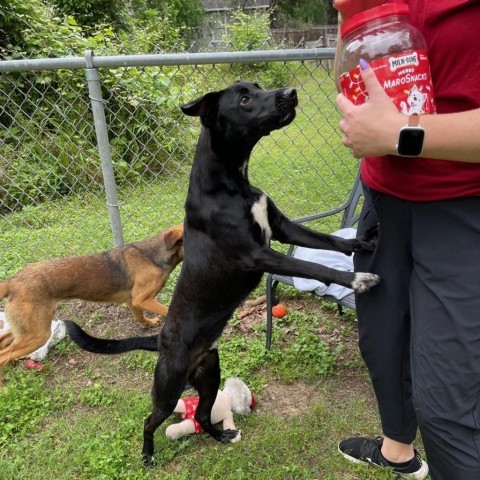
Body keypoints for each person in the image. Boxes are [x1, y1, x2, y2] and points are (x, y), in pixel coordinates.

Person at [332, 1, 480, 479]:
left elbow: (398, 128)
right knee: (383, 342)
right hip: (384, 199)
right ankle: (398, 450)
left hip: (464, 207)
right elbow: (352, 67)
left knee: (447, 405)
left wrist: (403, 135)